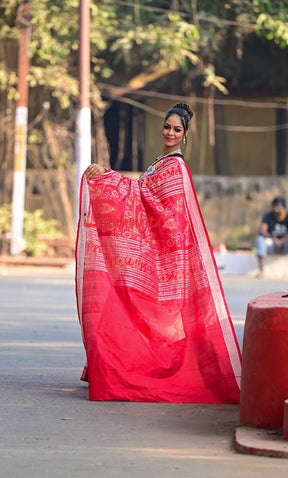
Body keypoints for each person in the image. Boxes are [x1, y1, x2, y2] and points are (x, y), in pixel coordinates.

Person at [75, 103, 241, 403]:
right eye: (167, 126)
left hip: (166, 258)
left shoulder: (175, 167)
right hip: (149, 252)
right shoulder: (159, 162)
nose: (170, 132)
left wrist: (108, 177)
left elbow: (159, 208)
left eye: (177, 129)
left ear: (185, 135)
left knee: (154, 322)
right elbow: (141, 194)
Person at [256, 196, 288, 275]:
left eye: (278, 206)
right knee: (260, 240)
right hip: (271, 243)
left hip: (284, 244)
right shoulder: (268, 216)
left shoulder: (287, 216)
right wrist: (273, 238)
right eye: (274, 206)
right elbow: (262, 230)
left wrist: (281, 241)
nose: (276, 208)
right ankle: (261, 271)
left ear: (283, 207)